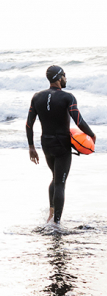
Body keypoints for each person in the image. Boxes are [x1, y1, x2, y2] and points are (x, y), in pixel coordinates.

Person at [26, 65, 95, 225]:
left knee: (55, 178)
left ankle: (51, 215)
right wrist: (91, 135)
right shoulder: (68, 97)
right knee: (60, 183)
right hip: (62, 144)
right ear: (58, 77)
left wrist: (31, 147)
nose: (65, 78)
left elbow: (29, 124)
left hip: (46, 144)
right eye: (64, 75)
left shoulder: (37, 97)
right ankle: (56, 224)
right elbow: (79, 121)